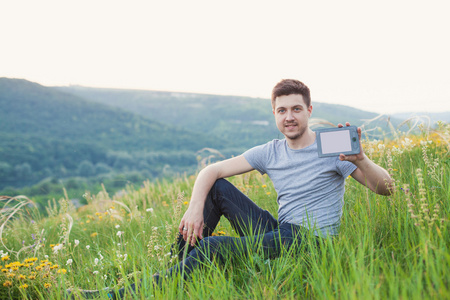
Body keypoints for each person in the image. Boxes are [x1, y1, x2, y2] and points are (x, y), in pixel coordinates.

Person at [71, 79, 393, 299]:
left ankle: (123, 295)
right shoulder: (271, 151)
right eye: (282, 111)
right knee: (216, 188)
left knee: (212, 248)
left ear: (309, 111)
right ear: (274, 115)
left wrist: (361, 159)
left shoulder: (331, 150)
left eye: (296, 109)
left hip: (313, 243)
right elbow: (211, 169)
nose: (289, 117)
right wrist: (194, 207)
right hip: (281, 232)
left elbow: (386, 188)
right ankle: (176, 275)